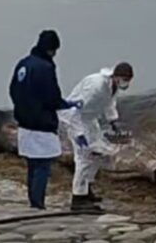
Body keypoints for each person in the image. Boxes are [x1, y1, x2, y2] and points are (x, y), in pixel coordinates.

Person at [9, 30, 82, 210]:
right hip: (41, 124)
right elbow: (52, 97)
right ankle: (38, 204)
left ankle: (33, 201)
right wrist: (68, 105)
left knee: (32, 165)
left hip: (24, 123)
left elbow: (13, 90)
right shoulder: (45, 67)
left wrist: (23, 107)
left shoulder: (23, 64)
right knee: (43, 166)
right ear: (51, 49)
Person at [59, 62, 134, 212]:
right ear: (116, 76)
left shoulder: (111, 87)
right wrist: (78, 134)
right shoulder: (95, 87)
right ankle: (78, 199)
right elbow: (74, 110)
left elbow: (109, 103)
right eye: (124, 79)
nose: (125, 83)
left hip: (90, 121)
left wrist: (113, 121)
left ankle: (87, 188)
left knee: (100, 154)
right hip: (76, 120)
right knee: (84, 158)